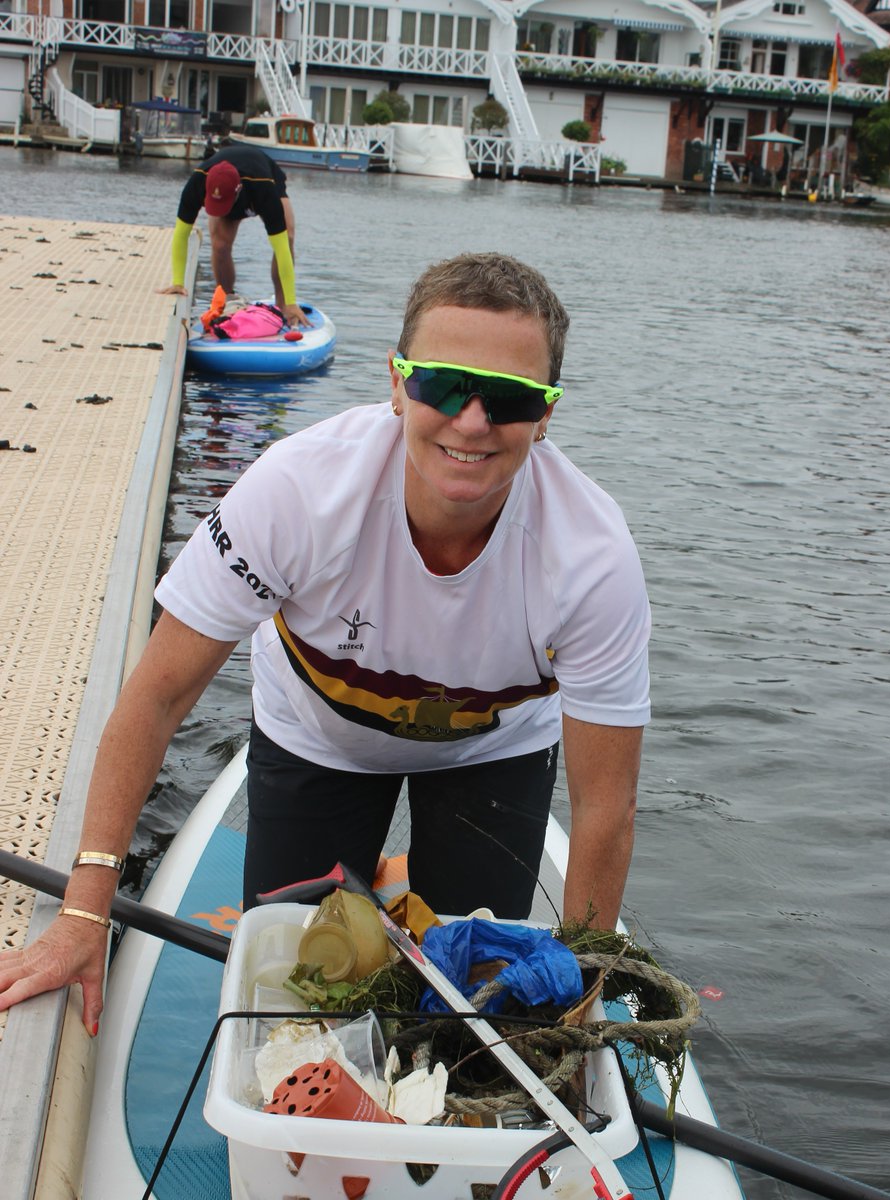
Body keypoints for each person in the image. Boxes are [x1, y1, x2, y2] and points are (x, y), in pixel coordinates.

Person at [0, 252, 651, 1036]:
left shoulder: (592, 556)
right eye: (443, 385)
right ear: (396, 381)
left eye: (509, 398)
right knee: (301, 996)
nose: (473, 421)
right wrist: (83, 912)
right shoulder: (298, 491)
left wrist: (575, 997)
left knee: (474, 1009)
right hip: (318, 735)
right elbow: (158, 694)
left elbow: (604, 805)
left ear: (547, 414)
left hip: (491, 753)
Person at [157, 143, 311, 328]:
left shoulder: (264, 189)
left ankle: (284, 305)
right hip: (224, 188)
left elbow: (281, 248)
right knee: (220, 245)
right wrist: (178, 282)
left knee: (288, 236)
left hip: (261, 175)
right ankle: (228, 302)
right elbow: (181, 234)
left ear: (237, 191)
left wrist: (292, 301)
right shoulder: (197, 182)